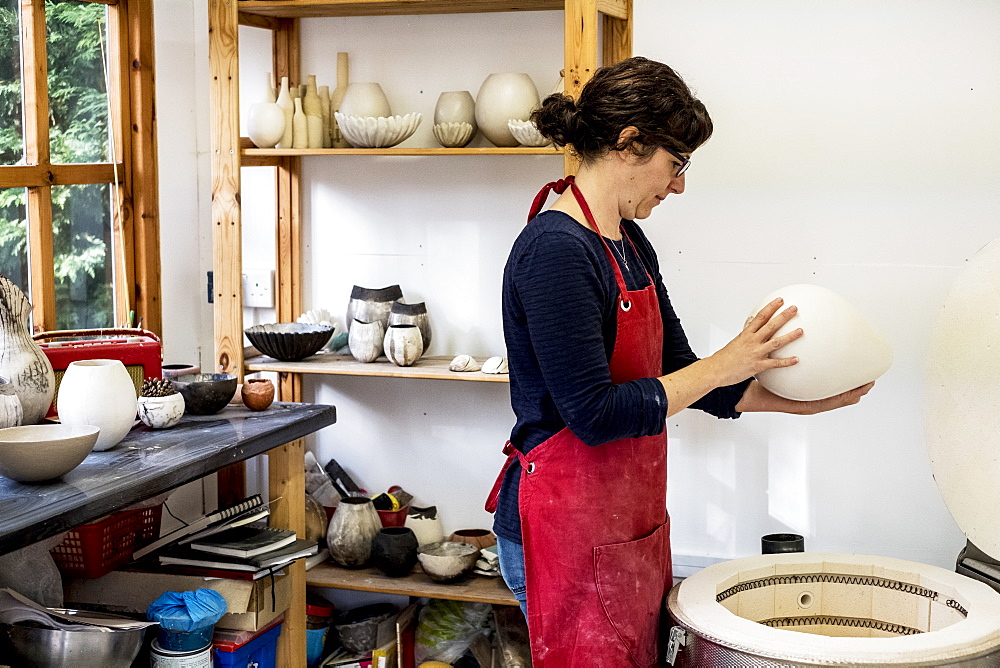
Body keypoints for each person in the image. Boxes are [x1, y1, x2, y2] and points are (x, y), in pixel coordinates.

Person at [484, 56, 873, 667]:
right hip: (563, 533)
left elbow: (686, 374)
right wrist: (725, 361)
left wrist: (805, 398)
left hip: (625, 531)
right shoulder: (557, 251)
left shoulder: (629, 241)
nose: (679, 185)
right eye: (676, 163)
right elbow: (594, 414)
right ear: (628, 144)